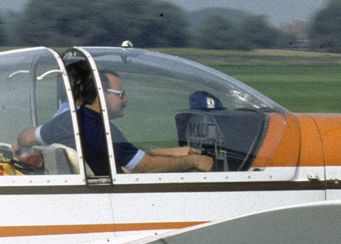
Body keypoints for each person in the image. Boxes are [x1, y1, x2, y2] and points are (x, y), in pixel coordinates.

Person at [13, 64, 213, 175]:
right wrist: (194, 160)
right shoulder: (103, 130)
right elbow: (148, 167)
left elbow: (27, 137)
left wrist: (16, 149)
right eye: (121, 93)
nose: (125, 99)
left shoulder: (68, 119)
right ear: (101, 94)